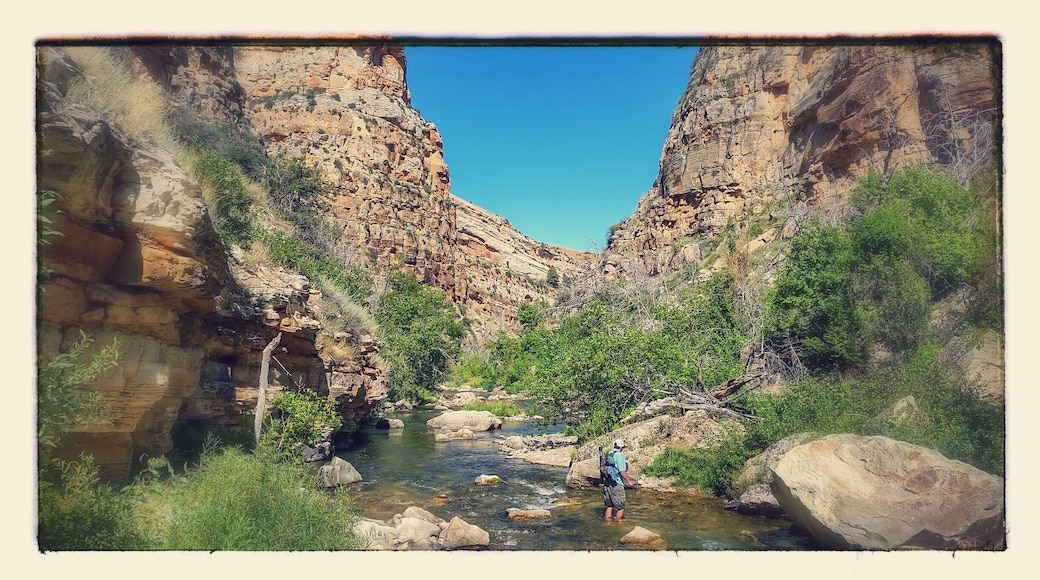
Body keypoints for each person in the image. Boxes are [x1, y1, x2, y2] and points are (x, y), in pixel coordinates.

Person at [603, 439, 635, 522]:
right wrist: (628, 481)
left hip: (607, 482)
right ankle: (619, 525)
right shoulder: (619, 455)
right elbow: (622, 471)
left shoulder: (609, 453)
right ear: (621, 447)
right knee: (620, 506)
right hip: (617, 483)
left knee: (609, 505)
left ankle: (608, 524)